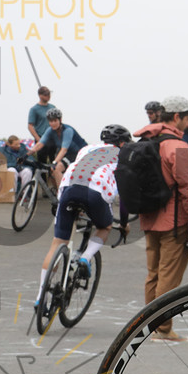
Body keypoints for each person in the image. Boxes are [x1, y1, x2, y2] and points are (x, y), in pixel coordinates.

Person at [136, 96, 188, 343]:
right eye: (187, 118)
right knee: (168, 276)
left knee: (153, 274)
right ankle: (163, 329)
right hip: (174, 223)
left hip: (149, 218)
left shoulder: (147, 140)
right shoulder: (177, 146)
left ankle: (148, 325)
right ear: (177, 117)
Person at [35, 126, 128, 308]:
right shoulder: (122, 156)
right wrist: (124, 223)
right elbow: (124, 195)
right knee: (104, 227)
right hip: (96, 191)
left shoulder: (87, 148)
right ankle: (86, 257)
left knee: (58, 243)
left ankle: (40, 297)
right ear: (123, 143)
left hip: (69, 188)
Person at [34, 108, 86, 186]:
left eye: (55, 120)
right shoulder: (50, 130)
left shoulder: (67, 130)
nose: (53, 123)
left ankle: (62, 193)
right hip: (68, 154)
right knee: (52, 172)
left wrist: (54, 162)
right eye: (51, 121)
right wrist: (26, 155)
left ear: (60, 120)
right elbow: (39, 144)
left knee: (57, 168)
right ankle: (57, 190)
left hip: (79, 153)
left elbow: (64, 150)